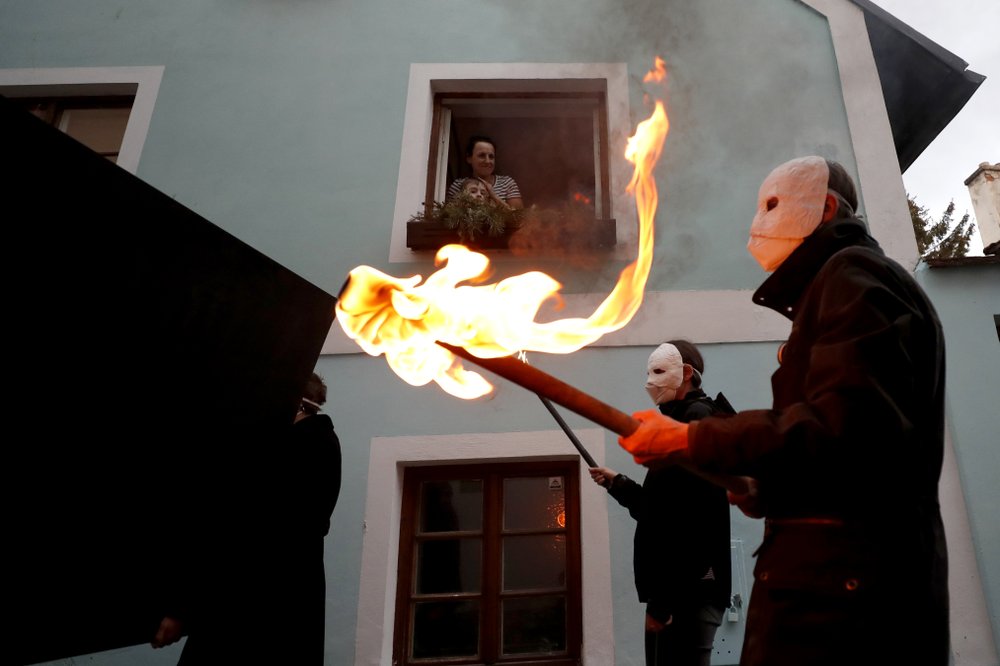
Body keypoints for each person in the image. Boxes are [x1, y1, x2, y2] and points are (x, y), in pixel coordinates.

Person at [618, 156, 948, 666]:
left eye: (773, 205)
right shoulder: (838, 287)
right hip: (832, 592)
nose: (758, 222)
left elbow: (846, 427)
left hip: (845, 607)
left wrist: (689, 440)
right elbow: (847, 464)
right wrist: (766, 488)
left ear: (827, 208)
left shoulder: (856, 278)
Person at [152, 371, 342, 665]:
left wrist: (183, 608)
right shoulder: (322, 445)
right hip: (289, 611)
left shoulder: (286, 451)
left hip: (245, 612)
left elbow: (235, 533)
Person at [590, 340, 732, 666]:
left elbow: (686, 520)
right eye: (648, 373)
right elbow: (658, 508)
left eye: (658, 371)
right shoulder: (679, 421)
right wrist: (618, 483)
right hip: (684, 592)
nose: (649, 382)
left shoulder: (693, 420)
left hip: (687, 593)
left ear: (685, 373)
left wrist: (662, 604)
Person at [446, 135, 524, 209]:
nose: (487, 161)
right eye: (482, 155)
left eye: (491, 156)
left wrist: (494, 196)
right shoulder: (458, 185)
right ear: (469, 158)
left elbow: (519, 219)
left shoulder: (507, 183)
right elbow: (450, 218)